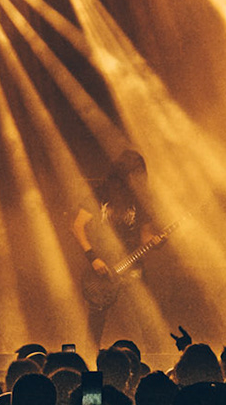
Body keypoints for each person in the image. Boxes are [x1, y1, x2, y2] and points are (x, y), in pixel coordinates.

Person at [70, 149, 165, 350]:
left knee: (145, 314)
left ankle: (147, 358)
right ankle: (91, 357)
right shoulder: (101, 194)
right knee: (97, 319)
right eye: (135, 172)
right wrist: (92, 258)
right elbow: (78, 226)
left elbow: (145, 237)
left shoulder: (139, 200)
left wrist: (158, 242)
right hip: (102, 265)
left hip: (132, 265)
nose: (138, 177)